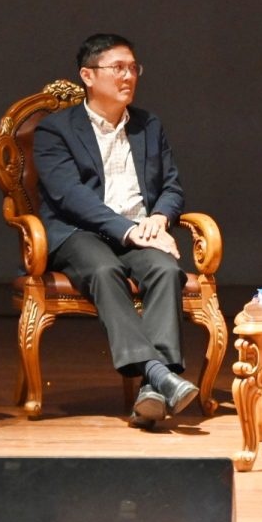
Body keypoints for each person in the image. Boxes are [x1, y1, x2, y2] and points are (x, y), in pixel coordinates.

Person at [34, 33, 197, 430]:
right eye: (118, 68)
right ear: (88, 75)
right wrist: (127, 230)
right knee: (105, 270)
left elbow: (172, 186)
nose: (128, 76)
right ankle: (159, 372)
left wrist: (159, 219)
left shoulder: (148, 125)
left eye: (133, 68)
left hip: (140, 229)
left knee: (166, 270)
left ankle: (151, 389)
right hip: (79, 232)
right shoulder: (55, 130)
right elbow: (70, 196)